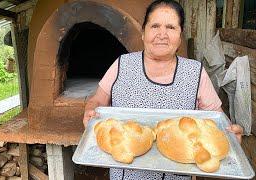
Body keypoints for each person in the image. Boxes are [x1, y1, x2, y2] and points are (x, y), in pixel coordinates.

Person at [82, 0, 243, 179]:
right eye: (155, 26)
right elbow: (97, 100)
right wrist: (90, 110)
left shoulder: (195, 72)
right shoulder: (121, 65)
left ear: (180, 35)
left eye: (171, 27)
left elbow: (216, 120)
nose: (162, 34)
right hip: (125, 173)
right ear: (143, 33)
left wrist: (230, 136)